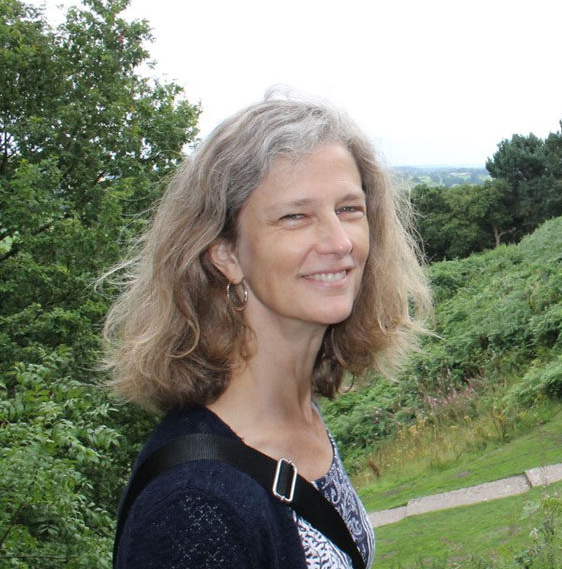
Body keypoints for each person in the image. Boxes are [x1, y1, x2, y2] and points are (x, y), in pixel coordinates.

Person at [103, 90, 431, 568]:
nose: (339, 242)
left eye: (349, 209)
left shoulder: (300, 419)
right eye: (295, 216)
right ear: (227, 255)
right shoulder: (193, 510)